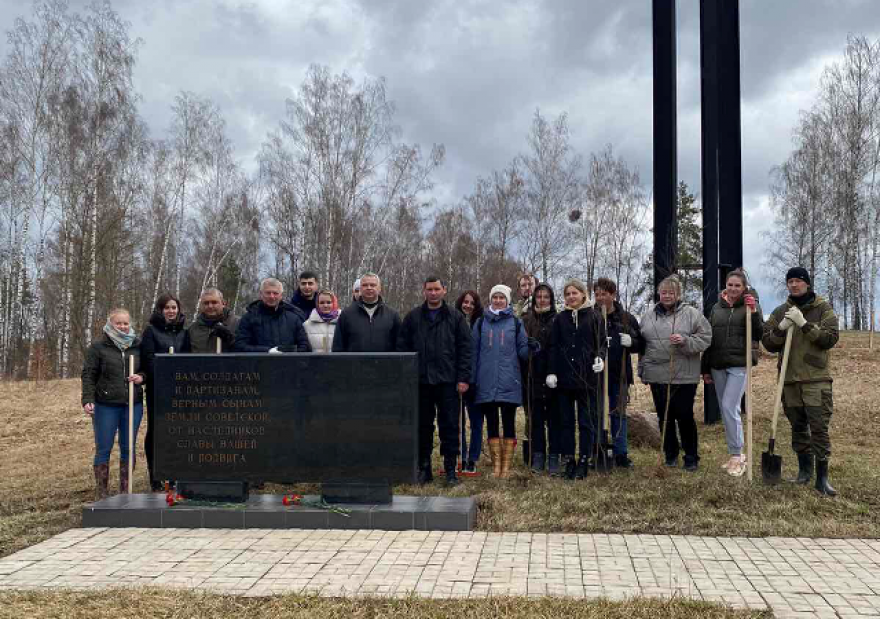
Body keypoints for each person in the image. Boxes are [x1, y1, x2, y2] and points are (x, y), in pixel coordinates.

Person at [761, 267, 839, 495]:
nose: (794, 285)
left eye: (798, 281)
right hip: (790, 381)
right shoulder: (780, 311)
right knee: (798, 428)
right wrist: (781, 329)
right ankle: (805, 472)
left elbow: (830, 338)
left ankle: (822, 479)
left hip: (816, 380)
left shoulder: (823, 309)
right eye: (790, 281)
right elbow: (768, 342)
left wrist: (804, 324)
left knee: (819, 428)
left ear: (807, 283)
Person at [397, 277, 473, 486]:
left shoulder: (456, 318)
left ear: (444, 291)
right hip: (421, 383)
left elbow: (465, 350)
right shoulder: (413, 318)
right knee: (423, 427)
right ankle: (424, 468)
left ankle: (450, 470)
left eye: (436, 289)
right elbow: (403, 348)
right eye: (429, 289)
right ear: (424, 291)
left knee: (449, 426)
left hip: (448, 382)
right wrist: (408, 377)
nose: (433, 293)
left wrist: (463, 378)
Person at [638, 275, 712, 471]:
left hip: (684, 375)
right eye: (664, 292)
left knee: (685, 416)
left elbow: (706, 338)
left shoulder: (692, 314)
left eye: (671, 292)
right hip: (656, 375)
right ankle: (670, 454)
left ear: (678, 294)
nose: (667, 296)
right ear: (658, 294)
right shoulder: (648, 316)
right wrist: (642, 370)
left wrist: (686, 341)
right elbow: (642, 346)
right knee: (664, 417)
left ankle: (691, 457)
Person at [701, 269, 763, 477]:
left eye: (738, 285)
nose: (734, 289)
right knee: (725, 408)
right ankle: (734, 454)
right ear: (725, 286)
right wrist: (705, 368)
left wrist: (753, 312)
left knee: (729, 406)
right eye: (730, 285)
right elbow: (709, 340)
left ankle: (737, 455)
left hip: (738, 363)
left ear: (744, 287)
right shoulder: (716, 308)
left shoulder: (749, 305)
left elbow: (758, 333)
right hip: (717, 364)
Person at [81, 308, 146, 499]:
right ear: (110, 324)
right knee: (104, 447)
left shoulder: (137, 345)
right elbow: (88, 375)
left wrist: (141, 377)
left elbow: (148, 370)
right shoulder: (98, 348)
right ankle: (102, 493)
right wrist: (87, 399)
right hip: (105, 405)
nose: (123, 327)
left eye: (126, 323)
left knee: (128, 447)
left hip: (132, 404)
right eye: (119, 323)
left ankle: (125, 492)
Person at [544, 279, 605, 479]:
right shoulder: (560, 319)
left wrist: (600, 358)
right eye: (568, 294)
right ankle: (569, 459)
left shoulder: (595, 317)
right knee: (566, 421)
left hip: (587, 378)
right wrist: (551, 371)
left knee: (586, 421)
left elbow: (601, 343)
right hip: (564, 379)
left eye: (574, 293)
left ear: (583, 294)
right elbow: (552, 346)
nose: (571, 297)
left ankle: (584, 459)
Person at [472, 284, 534, 478]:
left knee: (508, 423)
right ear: (490, 299)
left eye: (502, 298)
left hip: (509, 381)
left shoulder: (515, 323)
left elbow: (522, 351)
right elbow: (473, 352)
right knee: (491, 422)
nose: (498, 301)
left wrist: (532, 348)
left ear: (507, 301)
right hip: (486, 380)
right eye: (495, 297)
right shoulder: (481, 323)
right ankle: (495, 465)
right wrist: (472, 379)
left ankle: (506, 467)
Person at [593, 277, 643, 469]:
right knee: (597, 413)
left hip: (619, 375)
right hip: (596, 375)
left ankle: (621, 453)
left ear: (613, 295)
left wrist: (631, 342)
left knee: (618, 414)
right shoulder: (591, 316)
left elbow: (640, 343)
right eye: (597, 294)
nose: (600, 298)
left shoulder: (626, 318)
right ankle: (598, 450)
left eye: (604, 294)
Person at [140, 293, 186, 490]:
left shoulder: (184, 332)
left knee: (177, 431)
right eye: (167, 307)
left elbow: (188, 358)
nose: (171, 311)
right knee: (157, 431)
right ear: (160, 310)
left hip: (180, 390)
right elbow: (148, 359)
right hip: (158, 389)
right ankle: (155, 475)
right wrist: (164, 374)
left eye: (174, 307)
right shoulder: (151, 331)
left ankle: (174, 473)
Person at [521, 283, 559, 474]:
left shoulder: (558, 319)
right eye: (539, 297)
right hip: (532, 375)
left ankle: (554, 456)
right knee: (535, 418)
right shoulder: (527, 320)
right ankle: (538, 455)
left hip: (553, 376)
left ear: (551, 299)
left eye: (546, 297)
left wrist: (554, 370)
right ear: (534, 299)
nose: (542, 300)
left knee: (554, 419)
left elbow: (559, 347)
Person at [234, 278, 311, 353]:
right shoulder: (249, 318)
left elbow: (304, 346)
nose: (272, 296)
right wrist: (267, 351)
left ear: (281, 295)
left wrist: (289, 354)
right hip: (258, 364)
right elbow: (240, 345)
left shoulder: (294, 318)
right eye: (268, 293)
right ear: (261, 294)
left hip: (288, 364)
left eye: (275, 293)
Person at [332, 272, 400, 352]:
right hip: (354, 364)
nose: (369, 288)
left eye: (373, 285)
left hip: (384, 364)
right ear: (360, 288)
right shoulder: (346, 314)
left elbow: (399, 346)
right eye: (365, 285)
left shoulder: (392, 315)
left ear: (379, 288)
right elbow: (338, 347)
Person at [455, 290, 484, 473]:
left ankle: (473, 458)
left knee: (476, 422)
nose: (468, 305)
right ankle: (461, 456)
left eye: (472, 303)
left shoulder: (480, 323)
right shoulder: (453, 320)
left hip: (475, 380)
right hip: (457, 378)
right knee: (458, 422)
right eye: (465, 302)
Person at [181, 288, 239, 354]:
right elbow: (186, 357)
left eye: (214, 302)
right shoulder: (193, 330)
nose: (210, 306)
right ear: (201, 305)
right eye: (206, 303)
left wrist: (230, 340)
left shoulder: (238, 324)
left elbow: (245, 352)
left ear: (223, 303)